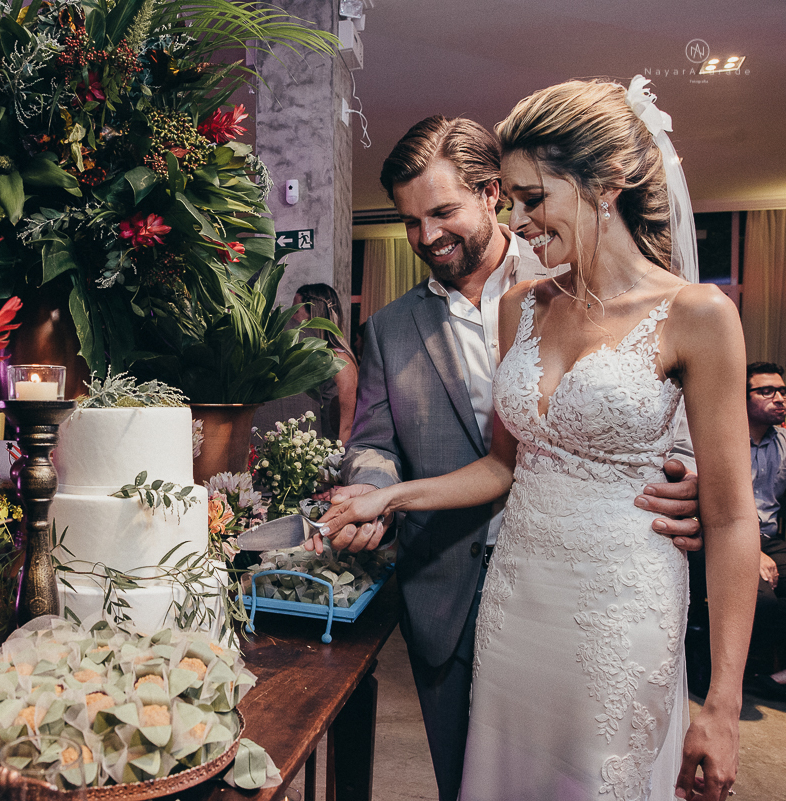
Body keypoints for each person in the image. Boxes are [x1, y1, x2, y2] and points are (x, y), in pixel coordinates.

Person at [319, 78, 759, 801]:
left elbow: (733, 510)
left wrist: (723, 702)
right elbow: (503, 462)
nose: (523, 219)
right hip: (512, 603)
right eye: (516, 199)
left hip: (620, 602)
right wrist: (384, 495)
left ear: (606, 183)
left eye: (531, 197)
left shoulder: (699, 313)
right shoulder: (522, 310)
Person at [743, 362, 786, 700]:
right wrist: (751, 550)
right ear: (743, 397)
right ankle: (729, 671)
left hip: (771, 537)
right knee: (763, 602)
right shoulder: (725, 438)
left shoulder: (782, 442)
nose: (779, 398)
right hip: (726, 537)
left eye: (783, 391)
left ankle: (776, 677)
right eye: (766, 391)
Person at [291, 283, 359, 443]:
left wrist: (338, 464)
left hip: (330, 457)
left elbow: (346, 427)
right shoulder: (305, 357)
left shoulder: (339, 361)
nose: (291, 317)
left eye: (295, 311)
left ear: (314, 315)